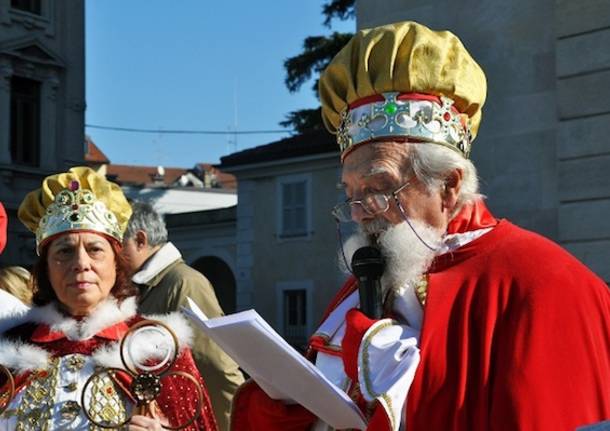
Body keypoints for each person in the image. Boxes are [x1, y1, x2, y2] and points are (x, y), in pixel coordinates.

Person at [231, 21, 610, 430]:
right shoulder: (373, 277)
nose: (359, 211)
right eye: (350, 194)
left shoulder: (544, 283)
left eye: (379, 188)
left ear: (448, 187)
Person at [0, 167, 218, 430]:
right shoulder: (10, 349)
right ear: (46, 267)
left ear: (116, 264)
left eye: (95, 250)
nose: (81, 263)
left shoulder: (156, 350)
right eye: (65, 251)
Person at [121, 201, 244, 431]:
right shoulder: (154, 283)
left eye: (118, 243)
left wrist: (233, 425)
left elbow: (215, 365)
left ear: (140, 240)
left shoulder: (185, 282)